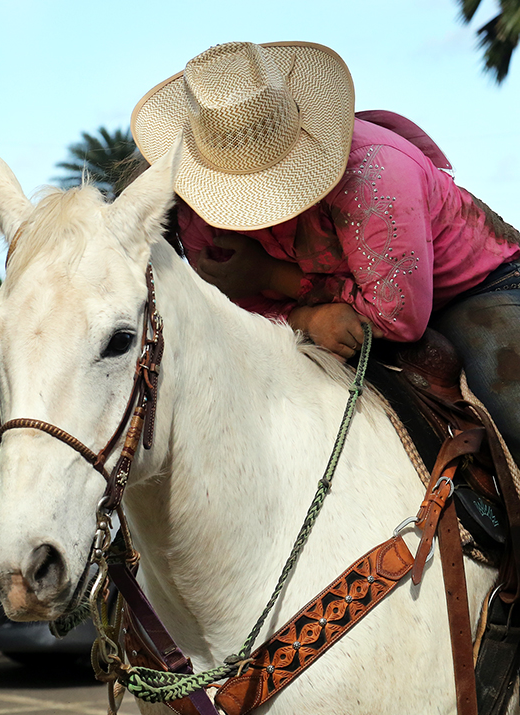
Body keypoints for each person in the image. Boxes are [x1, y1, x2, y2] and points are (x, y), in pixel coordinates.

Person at [131, 40, 520, 463]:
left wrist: (271, 279)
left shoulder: (375, 172)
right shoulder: (196, 208)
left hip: (474, 287)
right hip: (318, 319)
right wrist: (305, 318)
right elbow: (230, 319)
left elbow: (399, 318)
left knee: (509, 399)